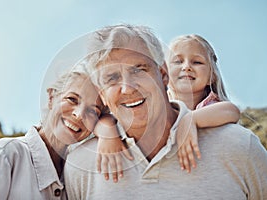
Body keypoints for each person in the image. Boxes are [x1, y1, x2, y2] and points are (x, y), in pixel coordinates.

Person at [64, 24, 267, 199]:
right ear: (102, 94)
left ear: (163, 75)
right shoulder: (79, 166)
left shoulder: (239, 146)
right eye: (112, 78)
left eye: (138, 70)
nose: (127, 88)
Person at [0, 65, 106, 199]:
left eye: (93, 111)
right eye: (72, 99)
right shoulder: (6, 155)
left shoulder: (78, 172)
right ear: (51, 97)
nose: (79, 114)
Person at [166, 34, 241, 172]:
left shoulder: (212, 105)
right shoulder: (160, 106)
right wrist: (111, 126)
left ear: (211, 77)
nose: (186, 67)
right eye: (178, 61)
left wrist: (191, 119)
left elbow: (232, 111)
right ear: (164, 74)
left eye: (197, 62)